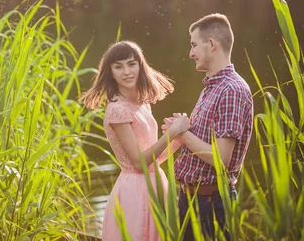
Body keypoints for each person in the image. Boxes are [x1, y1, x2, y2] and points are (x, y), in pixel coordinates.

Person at [81, 40, 191, 241]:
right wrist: (170, 133)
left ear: (141, 65)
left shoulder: (141, 103)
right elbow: (138, 163)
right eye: (118, 66)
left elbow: (153, 160)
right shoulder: (117, 110)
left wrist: (178, 138)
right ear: (110, 72)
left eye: (132, 64)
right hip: (136, 192)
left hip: (156, 183)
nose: (127, 72)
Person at [164, 14, 254, 240]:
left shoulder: (231, 90)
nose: (190, 53)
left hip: (211, 203)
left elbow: (220, 159)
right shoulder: (212, 87)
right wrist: (182, 128)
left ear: (211, 44)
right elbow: (203, 141)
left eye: (194, 45)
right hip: (192, 199)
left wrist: (183, 134)